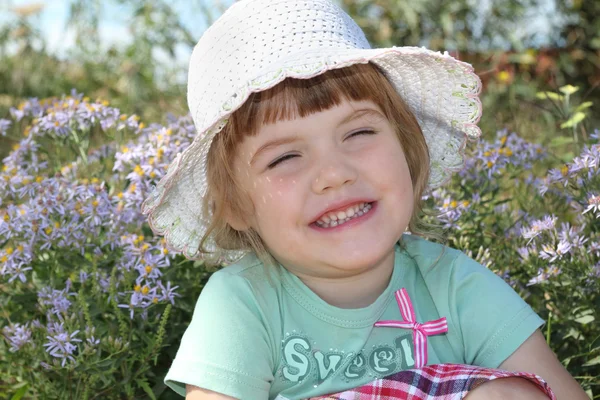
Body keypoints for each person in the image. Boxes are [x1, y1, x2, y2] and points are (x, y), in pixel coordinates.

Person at [141, 0, 588, 399]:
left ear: (406, 147)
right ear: (236, 205)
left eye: (358, 132)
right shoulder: (243, 304)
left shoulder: (454, 286)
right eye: (285, 158)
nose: (334, 175)